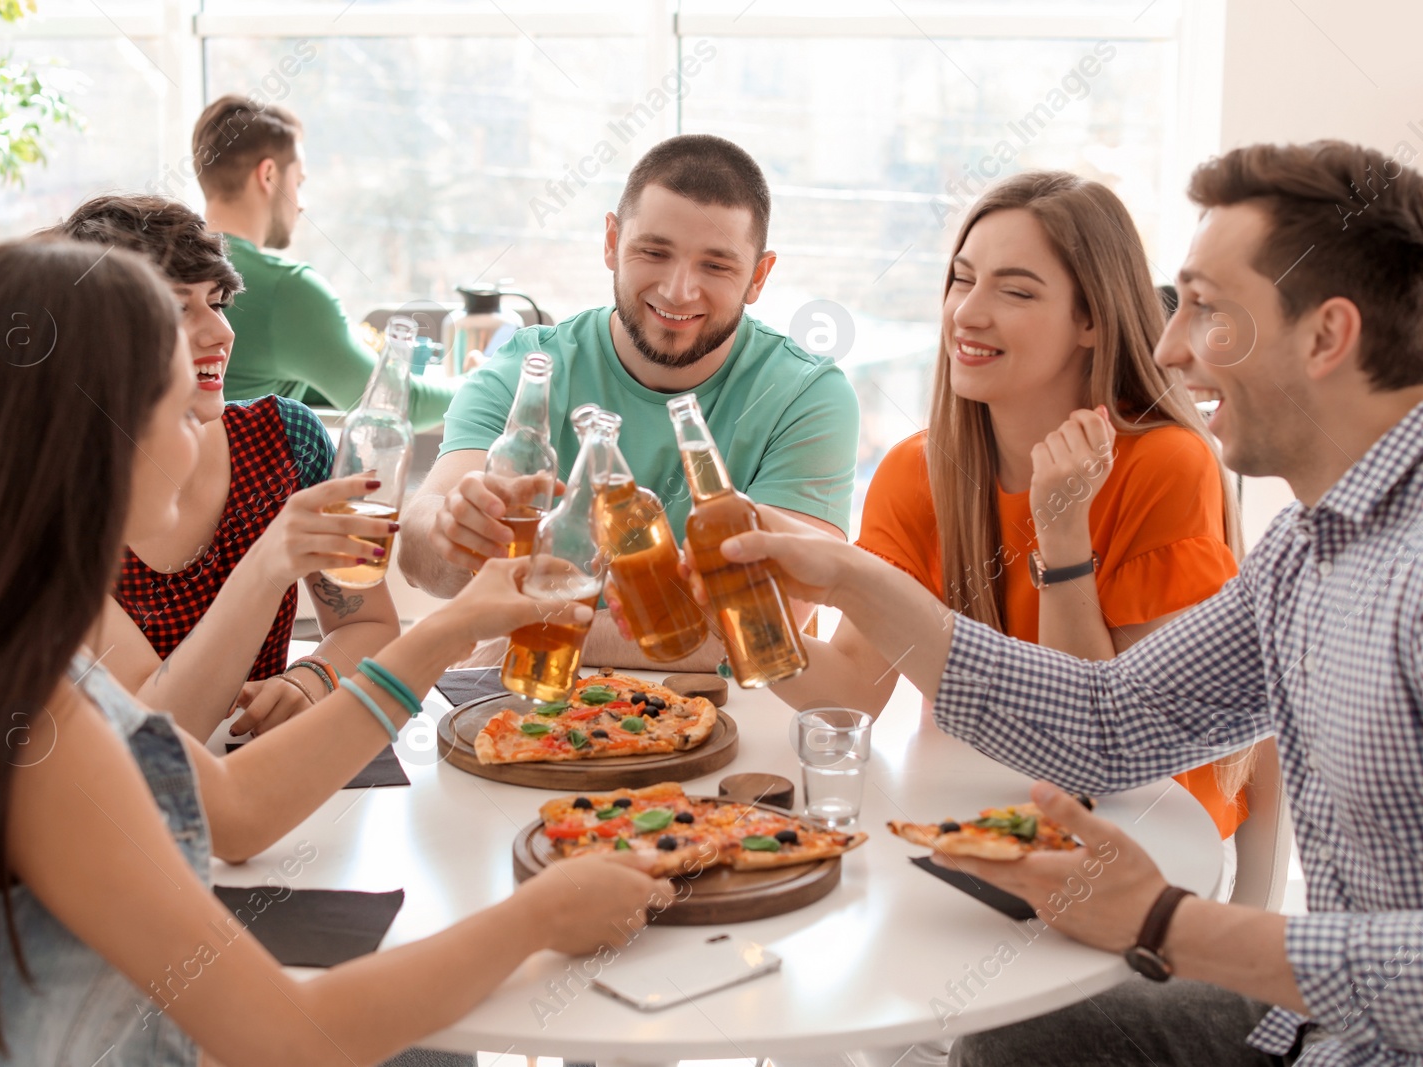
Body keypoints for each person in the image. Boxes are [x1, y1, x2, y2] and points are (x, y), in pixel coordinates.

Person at [0, 239, 664, 1067]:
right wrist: (537, 918)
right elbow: (288, 1038)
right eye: (183, 411)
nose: (206, 433)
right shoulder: (33, 724)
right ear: (104, 437)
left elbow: (236, 805)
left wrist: (444, 632)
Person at [713, 140, 1423, 1066]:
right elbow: (1106, 718)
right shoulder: (1304, 552)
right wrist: (853, 578)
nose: (1169, 346)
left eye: (1208, 312)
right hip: (1331, 1029)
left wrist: (1165, 920)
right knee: (1000, 1039)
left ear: (1327, 337)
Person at [774, 171, 1252, 842]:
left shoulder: (1166, 464)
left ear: (1091, 318)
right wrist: (740, 619)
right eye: (962, 279)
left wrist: (1062, 533)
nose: (967, 312)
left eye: (1016, 290)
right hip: (983, 815)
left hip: (1151, 840)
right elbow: (854, 692)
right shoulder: (918, 470)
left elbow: (1101, 759)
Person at [399, 133, 860, 670]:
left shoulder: (808, 398)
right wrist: (452, 532)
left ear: (758, 276)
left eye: (716, 266)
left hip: (727, 729)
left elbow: (760, 627)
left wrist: (526, 632)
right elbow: (416, 560)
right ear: (612, 242)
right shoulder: (527, 370)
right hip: (525, 718)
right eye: (654, 252)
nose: (678, 290)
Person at [54, 194, 395, 740]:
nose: (219, 332)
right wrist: (267, 563)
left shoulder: (287, 439)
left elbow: (369, 622)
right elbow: (157, 733)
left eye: (216, 302)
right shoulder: (48, 504)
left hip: (260, 770)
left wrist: (313, 677)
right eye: (176, 308)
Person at [192, 94, 456, 423]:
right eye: (298, 183)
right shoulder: (287, 291)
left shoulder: (166, 266)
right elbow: (399, 407)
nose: (301, 203)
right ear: (269, 175)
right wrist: (480, 381)